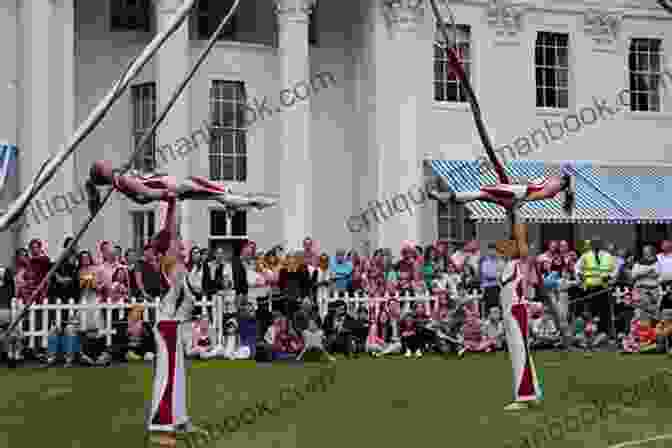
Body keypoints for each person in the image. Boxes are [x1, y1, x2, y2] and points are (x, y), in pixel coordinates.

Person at [496, 223, 543, 410]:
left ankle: (523, 396)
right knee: (522, 353)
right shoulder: (510, 264)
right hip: (510, 311)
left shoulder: (522, 264)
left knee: (520, 353)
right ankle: (533, 393)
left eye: (509, 244)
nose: (504, 248)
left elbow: (530, 282)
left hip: (517, 310)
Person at [575, 237, 617, 340]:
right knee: (590, 313)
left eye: (598, 243)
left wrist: (611, 277)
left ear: (601, 244)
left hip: (604, 288)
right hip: (590, 288)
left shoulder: (608, 256)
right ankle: (590, 335)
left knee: (604, 313)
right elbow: (577, 268)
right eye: (594, 243)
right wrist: (580, 275)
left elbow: (615, 269)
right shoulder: (585, 256)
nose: (596, 244)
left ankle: (604, 334)